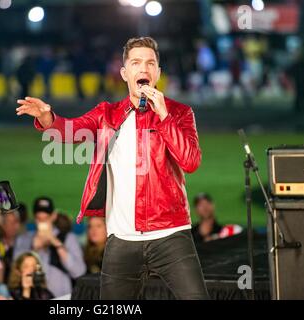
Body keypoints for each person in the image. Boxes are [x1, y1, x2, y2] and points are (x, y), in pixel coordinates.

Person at [16, 36, 209, 300]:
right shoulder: (107, 114)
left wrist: (164, 116)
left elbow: (191, 161)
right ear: (124, 72)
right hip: (121, 239)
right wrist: (46, 117)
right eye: (136, 63)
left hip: (171, 234)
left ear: (158, 72)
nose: (144, 68)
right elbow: (71, 131)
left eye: (150, 63)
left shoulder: (180, 112)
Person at [12, 197, 86, 298]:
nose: (42, 222)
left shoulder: (67, 238)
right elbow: (15, 270)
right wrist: (34, 249)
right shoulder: (24, 239)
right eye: (39, 219)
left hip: (61, 298)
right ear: (34, 217)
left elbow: (79, 271)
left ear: (53, 216)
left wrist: (58, 245)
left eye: (46, 219)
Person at [0, 203, 28, 284]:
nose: (17, 226)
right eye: (12, 223)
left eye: (17, 222)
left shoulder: (24, 242)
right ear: (2, 225)